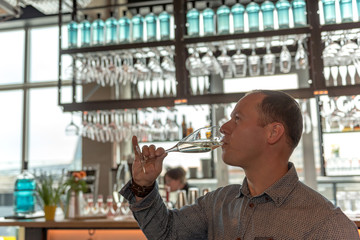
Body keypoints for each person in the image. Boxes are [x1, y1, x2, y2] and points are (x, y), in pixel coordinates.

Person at [120, 90, 359, 239]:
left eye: (237, 119)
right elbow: (167, 233)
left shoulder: (327, 226)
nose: (224, 128)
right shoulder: (218, 202)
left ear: (273, 132)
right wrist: (143, 185)